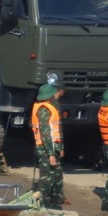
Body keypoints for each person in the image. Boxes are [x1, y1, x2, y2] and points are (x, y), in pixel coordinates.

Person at [31, 80, 65, 209]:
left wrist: (60, 147)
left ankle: (52, 201)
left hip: (52, 147)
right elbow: (46, 134)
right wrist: (51, 154)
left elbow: (55, 130)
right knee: (46, 179)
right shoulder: (44, 110)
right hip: (45, 149)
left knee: (56, 175)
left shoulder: (49, 107)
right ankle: (41, 205)